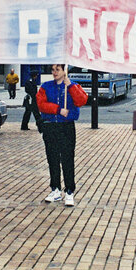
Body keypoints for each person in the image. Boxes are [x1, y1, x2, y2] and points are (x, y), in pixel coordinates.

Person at [36, 64, 88, 207]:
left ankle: (69, 191)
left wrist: (70, 86)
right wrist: (58, 110)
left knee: (67, 159)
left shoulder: (73, 86)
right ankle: (56, 189)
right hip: (50, 126)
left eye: (57, 70)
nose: (54, 72)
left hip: (66, 127)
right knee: (52, 158)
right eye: (52, 69)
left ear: (64, 71)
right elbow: (41, 104)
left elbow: (81, 100)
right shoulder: (46, 86)